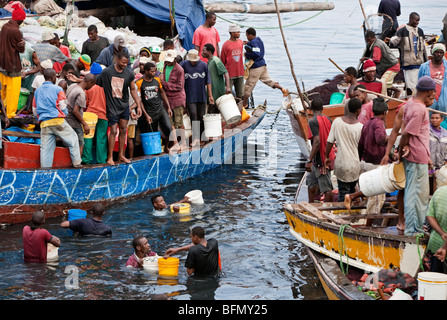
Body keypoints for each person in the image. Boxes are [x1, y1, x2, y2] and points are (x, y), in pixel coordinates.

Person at [398, 76, 436, 236]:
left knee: (417, 194)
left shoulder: (411, 103)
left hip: (418, 155)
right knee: (417, 196)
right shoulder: (420, 109)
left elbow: (410, 131)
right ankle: (414, 231)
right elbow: (406, 133)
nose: (434, 95)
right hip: (416, 157)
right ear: (428, 91)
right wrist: (401, 149)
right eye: (433, 92)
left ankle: (416, 228)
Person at [96, 51, 143, 165]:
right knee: (113, 131)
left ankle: (121, 155)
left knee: (123, 130)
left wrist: (138, 105)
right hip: (111, 106)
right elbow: (98, 86)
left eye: (126, 63)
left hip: (124, 106)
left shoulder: (129, 73)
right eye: (122, 63)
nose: (124, 65)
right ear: (117, 60)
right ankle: (110, 157)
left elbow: (132, 89)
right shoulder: (107, 72)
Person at [345, 98, 389, 216]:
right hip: (375, 166)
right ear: (385, 112)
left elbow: (360, 145)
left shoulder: (367, 123)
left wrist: (358, 161)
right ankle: (369, 225)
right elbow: (380, 139)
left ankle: (365, 217)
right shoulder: (378, 123)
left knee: (369, 194)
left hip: (364, 163)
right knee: (377, 199)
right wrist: (393, 136)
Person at [33, 68, 82, 168]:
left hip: (44, 123)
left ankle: (45, 169)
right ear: (52, 77)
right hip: (57, 120)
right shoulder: (58, 89)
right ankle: (77, 163)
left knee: (46, 149)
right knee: (73, 138)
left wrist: (39, 118)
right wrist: (65, 114)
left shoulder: (37, 91)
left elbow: (34, 109)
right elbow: (62, 106)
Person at [325, 97, 363, 202]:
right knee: (352, 192)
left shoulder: (337, 122)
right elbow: (361, 148)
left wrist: (326, 157)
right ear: (358, 110)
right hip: (355, 165)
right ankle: (350, 216)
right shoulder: (360, 127)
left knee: (343, 193)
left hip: (341, 164)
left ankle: (342, 215)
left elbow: (329, 142)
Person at [137, 62, 179, 153]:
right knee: (154, 132)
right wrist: (146, 114)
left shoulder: (156, 80)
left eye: (155, 71)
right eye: (152, 71)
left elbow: (162, 92)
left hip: (160, 109)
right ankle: (155, 150)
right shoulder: (139, 83)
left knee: (168, 128)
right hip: (149, 111)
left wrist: (168, 107)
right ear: (146, 71)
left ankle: (167, 146)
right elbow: (139, 100)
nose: (154, 73)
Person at [242, 27, 289, 109]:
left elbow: (256, 53)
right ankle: (282, 89)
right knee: (268, 80)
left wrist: (246, 54)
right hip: (263, 65)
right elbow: (256, 48)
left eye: (247, 36)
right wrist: (248, 43)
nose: (247, 38)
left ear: (250, 35)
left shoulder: (253, 42)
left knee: (248, 86)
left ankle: (244, 105)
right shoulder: (258, 40)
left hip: (256, 67)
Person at [388, 12, 428, 96]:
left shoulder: (420, 31)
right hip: (408, 63)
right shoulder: (402, 31)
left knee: (418, 85)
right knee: (411, 86)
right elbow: (394, 41)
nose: (417, 22)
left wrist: (426, 62)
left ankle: (414, 99)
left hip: (420, 64)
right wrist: (390, 40)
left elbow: (424, 48)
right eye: (416, 20)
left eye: (418, 21)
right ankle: (412, 100)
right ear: (411, 19)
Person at [180, 49, 213, 147]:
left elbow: (208, 82)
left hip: (201, 95)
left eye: (194, 61)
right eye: (191, 60)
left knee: (202, 116)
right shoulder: (184, 65)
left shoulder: (203, 65)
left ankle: (203, 137)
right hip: (189, 96)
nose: (193, 62)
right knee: (193, 115)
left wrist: (210, 95)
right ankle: (195, 138)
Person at [305, 98, 334, 203]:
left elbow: (317, 142)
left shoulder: (312, 121)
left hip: (322, 159)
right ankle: (311, 206)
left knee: (327, 188)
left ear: (311, 109)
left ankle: (330, 210)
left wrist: (309, 160)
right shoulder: (328, 119)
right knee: (311, 183)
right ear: (322, 108)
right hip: (320, 159)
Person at [0, 3, 26, 118]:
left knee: (2, 90)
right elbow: (20, 49)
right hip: (12, 65)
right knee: (13, 92)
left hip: (2, 63)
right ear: (20, 20)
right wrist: (23, 44)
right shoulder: (16, 31)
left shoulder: (5, 27)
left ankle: (1, 110)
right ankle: (10, 114)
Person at [161, 49, 187, 151]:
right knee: (170, 122)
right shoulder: (165, 66)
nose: (168, 62)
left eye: (170, 60)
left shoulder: (179, 70)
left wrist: (165, 84)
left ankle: (183, 143)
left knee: (179, 122)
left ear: (175, 59)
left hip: (177, 99)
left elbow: (179, 86)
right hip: (167, 99)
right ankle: (175, 143)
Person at [65, 73, 96, 158]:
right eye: (92, 85)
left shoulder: (72, 86)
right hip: (74, 121)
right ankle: (77, 163)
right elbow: (75, 111)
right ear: (89, 82)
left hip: (66, 119)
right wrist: (84, 124)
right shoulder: (81, 93)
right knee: (80, 142)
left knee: (69, 143)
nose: (91, 87)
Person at [83, 62, 108, 164]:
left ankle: (86, 159)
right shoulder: (106, 87)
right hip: (103, 115)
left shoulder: (89, 87)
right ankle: (101, 160)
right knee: (101, 138)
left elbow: (85, 103)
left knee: (88, 138)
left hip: (90, 115)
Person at [362, 30, 400, 95]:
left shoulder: (376, 46)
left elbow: (376, 60)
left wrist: (366, 59)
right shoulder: (378, 42)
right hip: (388, 66)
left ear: (371, 38)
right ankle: (389, 94)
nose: (368, 42)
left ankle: (396, 91)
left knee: (383, 83)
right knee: (386, 83)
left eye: (369, 40)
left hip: (392, 67)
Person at [418, 43, 447, 121]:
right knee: (427, 119)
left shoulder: (446, 66)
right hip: (428, 98)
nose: (439, 54)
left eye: (441, 53)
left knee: (443, 120)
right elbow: (419, 84)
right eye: (437, 52)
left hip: (444, 99)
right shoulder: (424, 67)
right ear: (432, 53)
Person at [202, 43, 230, 110]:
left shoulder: (216, 60)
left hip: (218, 93)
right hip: (212, 93)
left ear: (209, 52)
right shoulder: (209, 62)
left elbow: (225, 72)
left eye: (204, 51)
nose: (202, 52)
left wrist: (228, 87)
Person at [425, 186, 447, 273]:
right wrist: (444, 247)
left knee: (436, 282)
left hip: (436, 246)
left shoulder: (439, 192)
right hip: (441, 250)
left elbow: (430, 216)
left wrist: (442, 233)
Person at [220, 24, 245, 102]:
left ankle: (240, 110)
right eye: (237, 32)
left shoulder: (241, 42)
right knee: (228, 94)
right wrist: (224, 73)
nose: (238, 34)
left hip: (240, 72)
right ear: (232, 33)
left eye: (239, 32)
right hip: (229, 74)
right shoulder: (226, 45)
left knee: (240, 94)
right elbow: (223, 60)